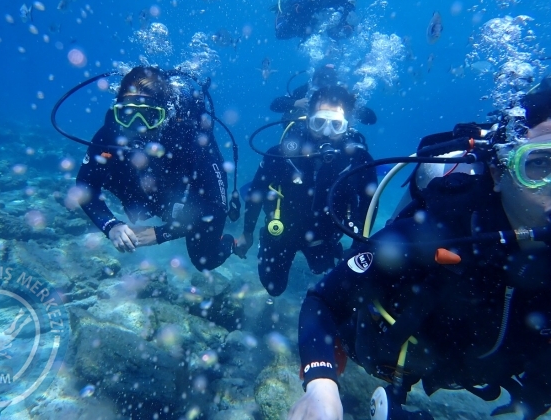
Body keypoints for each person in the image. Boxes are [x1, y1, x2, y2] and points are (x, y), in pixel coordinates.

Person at [289, 78, 551, 420]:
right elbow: (323, 299)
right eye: (540, 163)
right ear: (499, 171)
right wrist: (321, 384)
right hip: (394, 357)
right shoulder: (437, 229)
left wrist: (537, 394)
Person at [76, 66, 236, 271]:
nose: (138, 127)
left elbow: (217, 207)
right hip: (144, 194)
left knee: (205, 261)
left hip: (185, 204)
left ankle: (230, 243)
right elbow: (85, 185)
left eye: (149, 116)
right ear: (117, 111)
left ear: (166, 115)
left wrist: (161, 233)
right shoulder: (109, 135)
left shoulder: (191, 137)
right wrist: (110, 225)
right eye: (127, 115)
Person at [235, 85, 378, 297]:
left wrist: (358, 244)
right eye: (319, 123)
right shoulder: (282, 154)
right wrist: (247, 233)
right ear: (308, 119)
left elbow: (369, 203)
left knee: (329, 279)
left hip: (325, 236)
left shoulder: (358, 160)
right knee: (273, 287)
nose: (326, 132)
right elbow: (257, 190)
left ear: (347, 126)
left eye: (336, 125)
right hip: (282, 233)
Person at [271, 64, 377, 127]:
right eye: (317, 85)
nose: (320, 91)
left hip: (335, 136)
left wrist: (352, 106)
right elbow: (274, 105)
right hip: (303, 133)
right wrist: (294, 103)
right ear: (313, 81)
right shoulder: (304, 90)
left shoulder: (340, 96)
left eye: (324, 85)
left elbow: (371, 119)